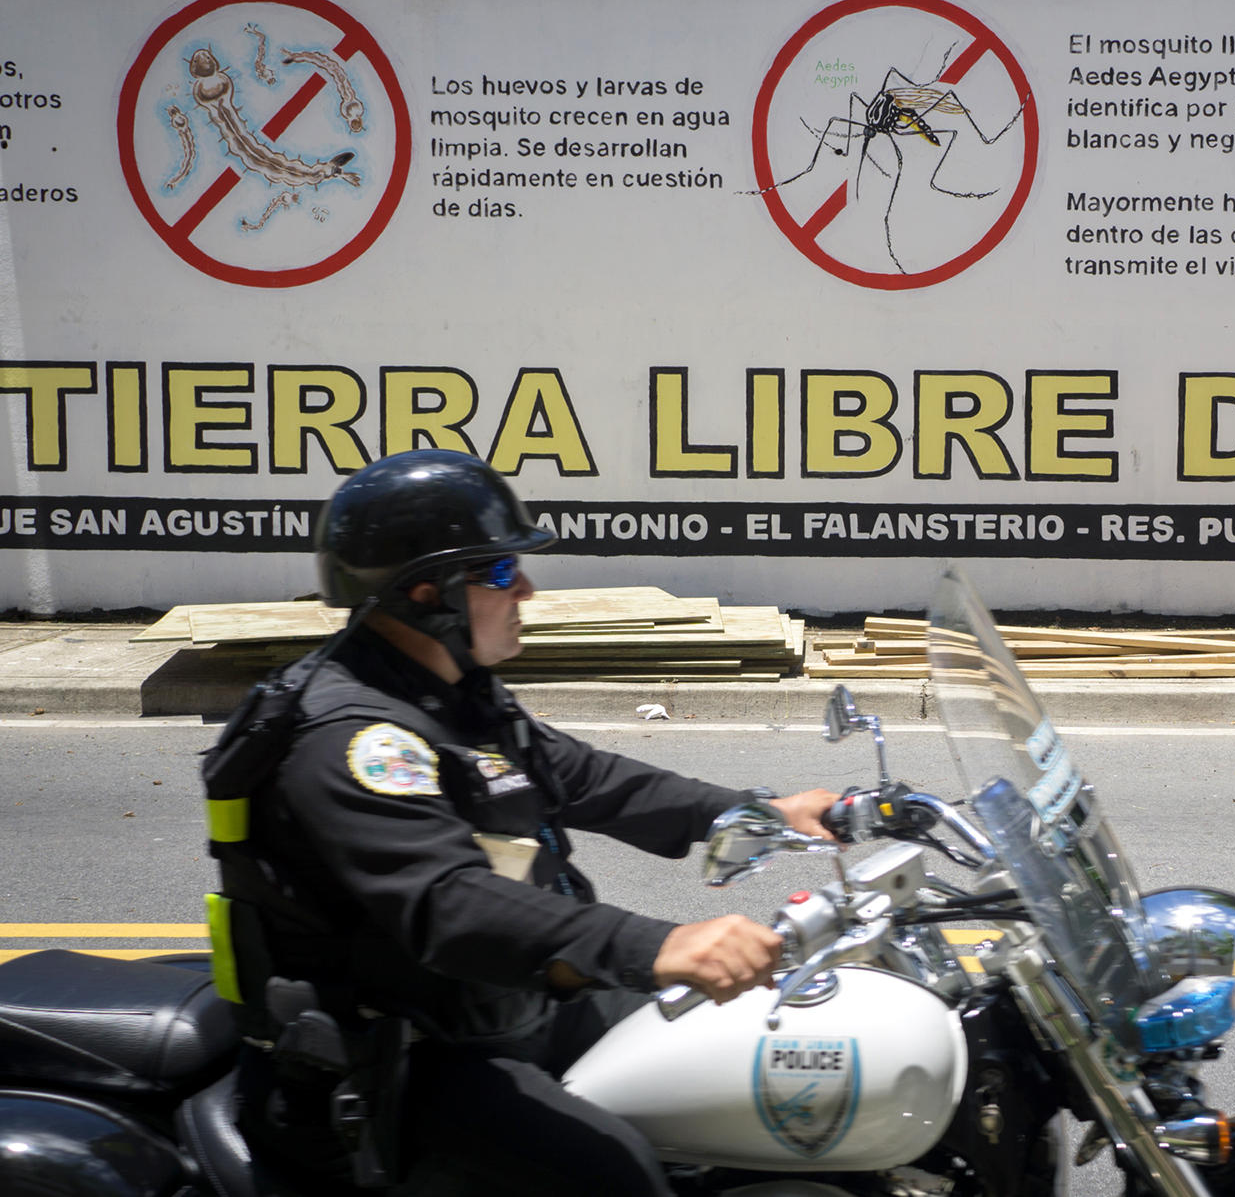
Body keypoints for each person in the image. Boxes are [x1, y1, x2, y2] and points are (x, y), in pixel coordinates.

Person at [204, 449, 836, 1197]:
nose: (527, 589)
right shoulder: (352, 739)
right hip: (398, 1060)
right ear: (425, 592)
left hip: (497, 1004)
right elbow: (449, 901)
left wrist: (757, 812)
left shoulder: (450, 693)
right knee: (618, 1177)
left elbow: (584, 777)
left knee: (753, 1054)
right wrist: (657, 943)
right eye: (501, 573)